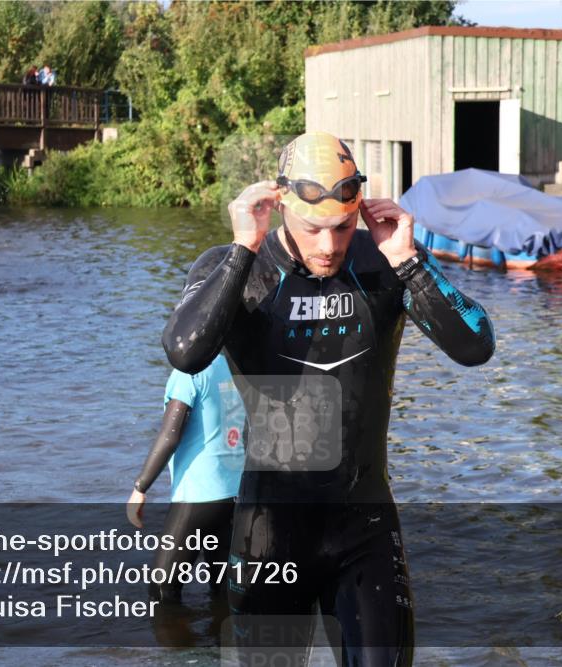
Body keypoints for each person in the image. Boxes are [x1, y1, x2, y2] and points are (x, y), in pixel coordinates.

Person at [161, 131, 495, 665]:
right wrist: (242, 249)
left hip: (364, 527)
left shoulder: (383, 261)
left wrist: (410, 262)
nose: (328, 245)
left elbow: (477, 346)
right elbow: (185, 351)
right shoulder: (237, 268)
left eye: (341, 227)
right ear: (279, 205)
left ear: (359, 209)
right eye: (312, 228)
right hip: (269, 531)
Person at [127, 355, 246, 603]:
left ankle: (176, 640)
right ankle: (221, 637)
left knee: (162, 589)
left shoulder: (188, 373)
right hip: (235, 492)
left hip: (198, 496)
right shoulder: (234, 365)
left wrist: (140, 487)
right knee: (223, 588)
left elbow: (170, 435)